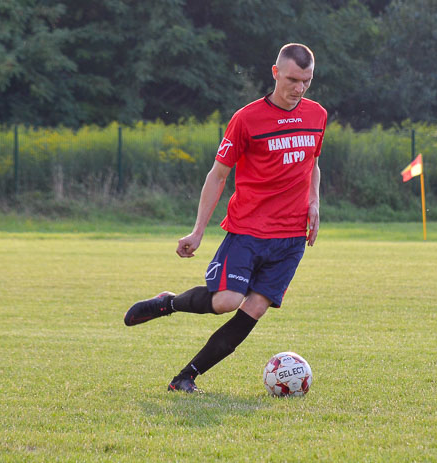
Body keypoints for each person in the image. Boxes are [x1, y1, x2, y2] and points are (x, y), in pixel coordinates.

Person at [124, 43, 327, 393]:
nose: (299, 88)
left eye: (307, 81)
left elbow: (313, 163)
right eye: (293, 79)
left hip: (291, 237)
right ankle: (167, 303)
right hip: (248, 230)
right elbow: (218, 175)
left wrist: (314, 202)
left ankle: (185, 377)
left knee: (255, 308)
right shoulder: (246, 119)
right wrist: (198, 231)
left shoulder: (317, 115)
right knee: (226, 301)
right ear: (276, 72)